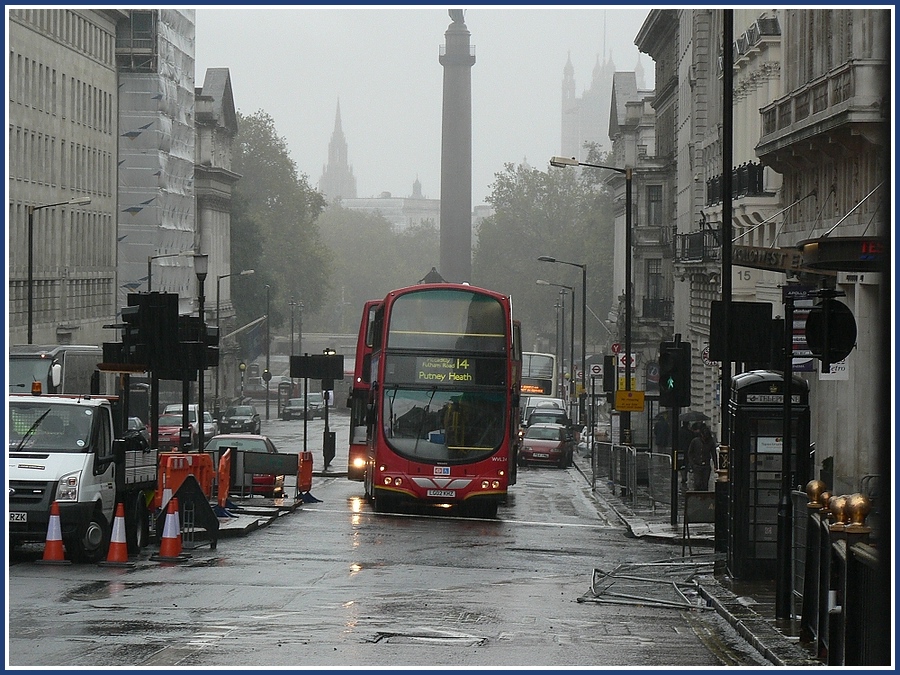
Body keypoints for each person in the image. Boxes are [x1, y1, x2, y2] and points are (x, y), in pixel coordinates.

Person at [687, 423, 717, 491]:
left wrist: (716, 465)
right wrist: (692, 464)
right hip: (697, 465)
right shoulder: (695, 441)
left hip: (706, 466)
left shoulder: (711, 442)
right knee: (697, 483)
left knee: (705, 484)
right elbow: (690, 453)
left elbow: (713, 454)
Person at [677, 420, 695, 489]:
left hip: (680, 450)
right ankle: (685, 476)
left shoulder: (679, 432)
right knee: (686, 463)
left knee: (681, 464)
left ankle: (683, 477)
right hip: (687, 450)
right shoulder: (690, 433)